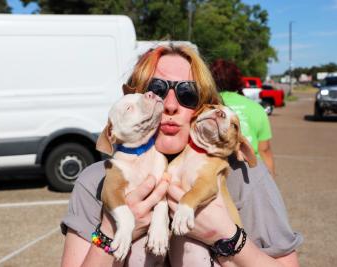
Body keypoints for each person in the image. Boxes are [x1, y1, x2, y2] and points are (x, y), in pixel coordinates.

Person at [60, 44, 302, 267]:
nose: (171, 105)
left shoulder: (243, 174)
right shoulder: (97, 180)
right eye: (156, 90)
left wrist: (227, 237)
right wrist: (109, 231)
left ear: (204, 106)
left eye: (188, 94)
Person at [211, 59, 276, 177]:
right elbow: (264, 150)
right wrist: (269, 180)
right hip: (250, 172)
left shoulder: (205, 107)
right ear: (237, 80)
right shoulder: (256, 108)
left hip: (212, 171)